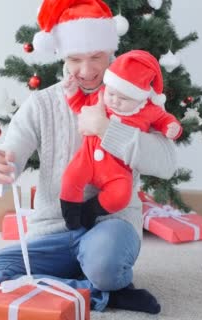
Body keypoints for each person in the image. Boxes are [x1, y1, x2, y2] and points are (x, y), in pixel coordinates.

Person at [0, 0, 178, 314]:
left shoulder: (136, 102)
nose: (87, 71)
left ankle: (68, 285)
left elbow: (168, 163)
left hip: (110, 229)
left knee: (104, 262)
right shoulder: (42, 105)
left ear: (111, 52)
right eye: (76, 59)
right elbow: (4, 164)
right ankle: (101, 294)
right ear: (62, 54)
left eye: (96, 57)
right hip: (50, 234)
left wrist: (108, 130)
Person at [60, 50, 183, 230]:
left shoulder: (148, 110)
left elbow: (165, 120)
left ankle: (90, 211)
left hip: (117, 169)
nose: (115, 101)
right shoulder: (101, 96)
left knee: (120, 196)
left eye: (124, 98)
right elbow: (79, 104)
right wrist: (71, 92)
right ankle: (71, 216)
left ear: (139, 97)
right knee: (70, 179)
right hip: (86, 158)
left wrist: (172, 128)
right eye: (112, 94)